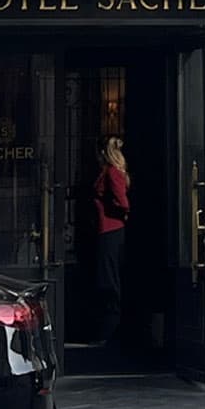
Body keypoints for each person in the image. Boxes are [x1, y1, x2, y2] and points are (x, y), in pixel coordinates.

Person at [88, 137, 131, 345]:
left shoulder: (112, 172)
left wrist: (118, 212)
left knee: (109, 279)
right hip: (108, 230)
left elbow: (123, 202)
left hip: (110, 231)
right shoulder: (110, 171)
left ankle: (110, 329)